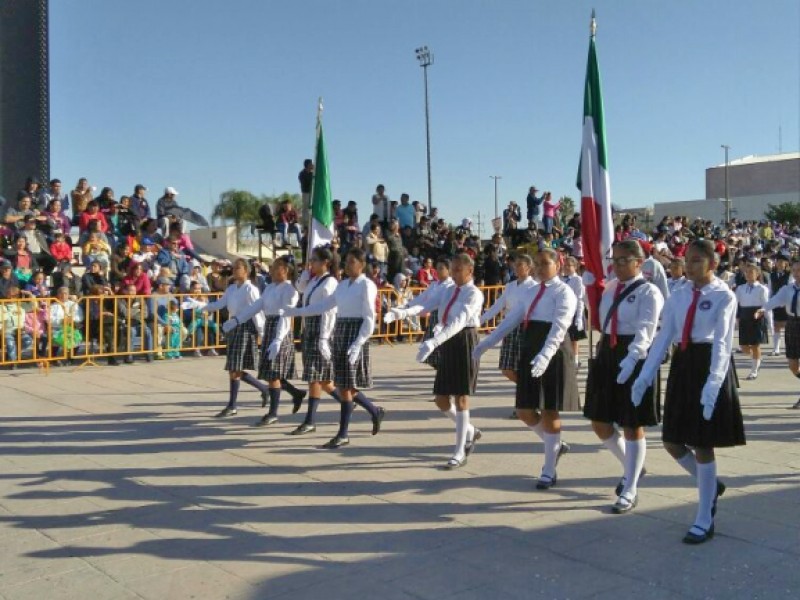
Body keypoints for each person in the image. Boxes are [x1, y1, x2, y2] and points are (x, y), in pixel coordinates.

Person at [632, 240, 743, 544]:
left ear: (713, 263)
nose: (689, 265)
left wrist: (714, 381)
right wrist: (645, 374)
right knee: (672, 442)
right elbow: (664, 334)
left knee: (703, 443)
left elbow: (722, 342)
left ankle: (704, 516)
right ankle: (711, 486)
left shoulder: (724, 296)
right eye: (687, 259)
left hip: (708, 364)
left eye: (696, 260)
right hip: (683, 364)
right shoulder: (679, 294)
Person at [473, 249, 579, 488]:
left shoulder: (564, 292)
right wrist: (487, 342)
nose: (540, 268)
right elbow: (511, 320)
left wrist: (546, 354)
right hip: (531, 348)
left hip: (552, 351)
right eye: (538, 265)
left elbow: (559, 327)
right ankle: (555, 445)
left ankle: (549, 469)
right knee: (524, 410)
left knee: (550, 411)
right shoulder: (531, 291)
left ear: (558, 264)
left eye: (545, 264)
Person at [583, 241, 664, 513]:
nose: (616, 265)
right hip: (608, 351)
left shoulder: (649, 292)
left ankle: (630, 487)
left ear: (639, 262)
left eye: (622, 260)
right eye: (614, 260)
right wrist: (588, 291)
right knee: (599, 421)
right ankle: (633, 467)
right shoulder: (608, 288)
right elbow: (598, 321)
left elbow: (646, 330)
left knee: (632, 422)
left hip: (634, 356)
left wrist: (632, 359)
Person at [284, 247, 386, 449]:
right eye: (346, 262)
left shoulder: (366, 285)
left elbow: (369, 317)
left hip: (355, 333)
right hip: (341, 332)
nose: (347, 266)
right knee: (345, 385)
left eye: (351, 262)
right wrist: (298, 311)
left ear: (361, 264)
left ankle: (343, 433)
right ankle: (374, 411)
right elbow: (324, 306)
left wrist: (359, 343)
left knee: (347, 387)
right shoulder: (343, 285)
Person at [412, 254, 484, 469]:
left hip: (464, 340)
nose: (453, 273)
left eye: (458, 270)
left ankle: (459, 450)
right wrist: (404, 310)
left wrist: (434, 342)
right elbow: (427, 304)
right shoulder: (450, 290)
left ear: (469, 271)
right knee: (441, 400)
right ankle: (470, 430)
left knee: (461, 397)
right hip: (446, 339)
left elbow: (460, 321)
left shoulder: (474, 293)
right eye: (452, 269)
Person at [224, 256, 300, 426]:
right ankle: (295, 393)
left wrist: (278, 339)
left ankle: (273, 413)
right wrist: (236, 320)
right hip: (270, 328)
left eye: (276, 267)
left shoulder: (290, 290)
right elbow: (255, 307)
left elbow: (286, 316)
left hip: (281, 330)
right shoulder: (270, 288)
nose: (272, 270)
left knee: (273, 373)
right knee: (270, 372)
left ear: (285, 270)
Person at [200, 258, 269, 418]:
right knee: (234, 367)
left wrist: (262, 333)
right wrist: (201, 306)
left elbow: (257, 312)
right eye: (234, 267)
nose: (234, 270)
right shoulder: (231, 288)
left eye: (238, 268)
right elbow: (220, 304)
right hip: (233, 326)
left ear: (246, 271)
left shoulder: (250, 289)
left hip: (245, 328)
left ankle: (233, 404)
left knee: (234, 367)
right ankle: (262, 389)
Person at [386, 258, 454, 370]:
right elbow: (422, 298)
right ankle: (441, 371)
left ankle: (445, 372)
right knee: (433, 353)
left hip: (445, 318)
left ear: (449, 270)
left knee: (443, 349)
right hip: (434, 317)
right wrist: (405, 306)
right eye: (437, 268)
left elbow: (430, 303)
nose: (438, 270)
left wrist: (408, 311)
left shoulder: (450, 285)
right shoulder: (434, 284)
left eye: (441, 268)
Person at [479, 253, 535, 385]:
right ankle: (525, 388)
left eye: (520, 265)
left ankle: (527, 391)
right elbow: (497, 306)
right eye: (515, 265)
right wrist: (480, 320)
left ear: (529, 267)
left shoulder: (534, 286)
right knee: (506, 368)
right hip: (509, 328)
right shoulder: (510, 286)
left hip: (525, 328)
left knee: (524, 366)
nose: (516, 267)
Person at [757, 258, 800, 408]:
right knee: (793, 365)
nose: (797, 273)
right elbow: (775, 300)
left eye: (799, 270)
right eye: (794, 270)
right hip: (793, 324)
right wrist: (763, 309)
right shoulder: (787, 289)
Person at [735, 263, 769, 380]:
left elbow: (766, 304)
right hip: (744, 316)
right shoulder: (740, 288)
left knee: (755, 345)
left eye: (751, 272)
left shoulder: (762, 288)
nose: (748, 274)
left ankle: (754, 370)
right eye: (746, 272)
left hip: (756, 316)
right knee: (743, 346)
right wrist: (737, 317)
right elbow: (736, 303)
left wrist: (762, 314)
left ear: (757, 274)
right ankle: (757, 359)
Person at [561, 255, 587, 367]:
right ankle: (567, 358)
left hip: (574, 312)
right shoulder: (562, 279)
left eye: (569, 265)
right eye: (564, 265)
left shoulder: (578, 280)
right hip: (563, 312)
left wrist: (579, 317)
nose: (566, 267)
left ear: (575, 267)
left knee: (573, 339)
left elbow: (580, 299)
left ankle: (575, 360)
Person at [768, 255, 792, 356]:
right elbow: (770, 289)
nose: (779, 263)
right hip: (776, 302)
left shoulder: (789, 275)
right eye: (778, 261)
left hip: (786, 303)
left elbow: (791, 288)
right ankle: (776, 348)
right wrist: (769, 302)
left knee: (788, 326)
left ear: (786, 263)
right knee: (776, 325)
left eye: (781, 262)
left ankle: (789, 347)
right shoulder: (772, 275)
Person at [298, 159, 314, 224]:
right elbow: (304, 182)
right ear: (307, 165)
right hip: (306, 192)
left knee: (311, 207)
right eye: (311, 164)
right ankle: (305, 222)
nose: (312, 165)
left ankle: (312, 221)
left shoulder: (312, 173)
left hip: (312, 192)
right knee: (306, 207)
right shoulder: (302, 173)